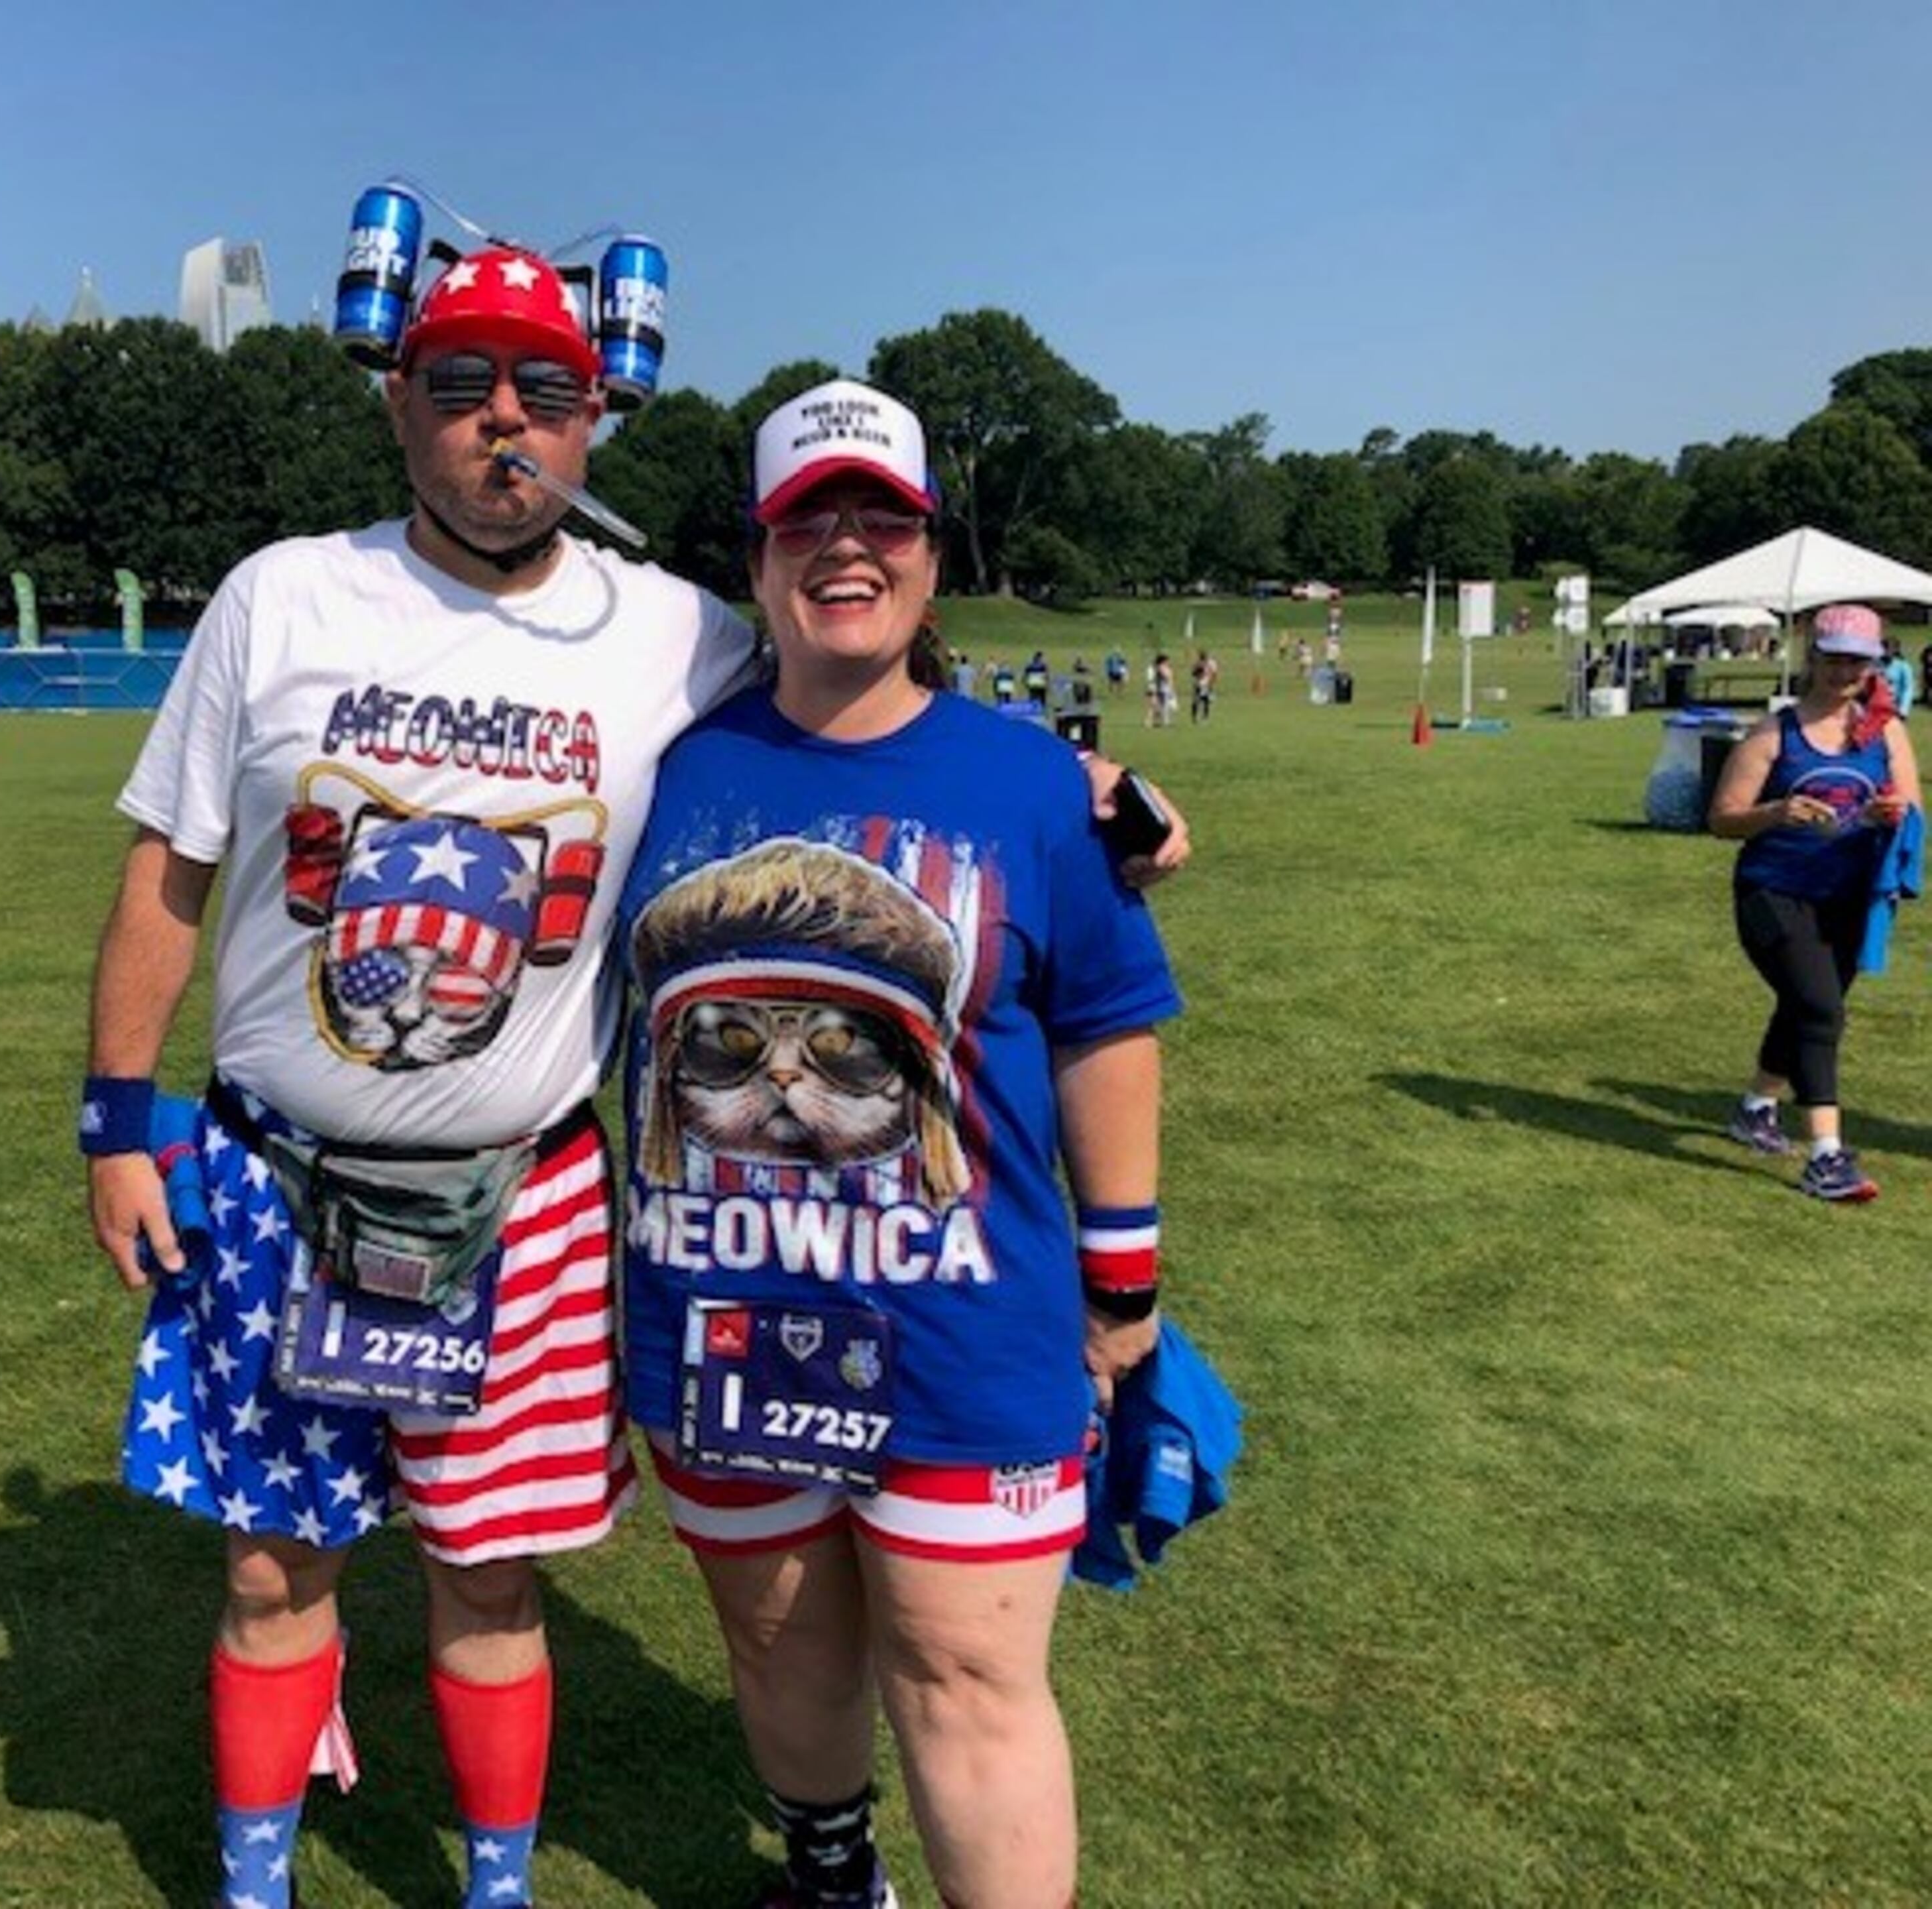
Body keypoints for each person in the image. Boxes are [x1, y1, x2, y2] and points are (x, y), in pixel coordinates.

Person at [85, 254, 1193, 1908]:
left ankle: (499, 1887)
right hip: (291, 1172)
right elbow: (169, 862)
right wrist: (117, 1118)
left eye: (540, 390)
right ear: (398, 400)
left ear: (597, 415)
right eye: (460, 386)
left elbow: (892, 719)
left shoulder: (674, 636)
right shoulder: (288, 594)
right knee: (274, 1569)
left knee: (494, 1573)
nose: (502, 425)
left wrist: (1081, 783)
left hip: (532, 1192)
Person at [616, 379, 1182, 1906]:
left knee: (963, 1674)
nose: (846, 546)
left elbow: (1105, 1026)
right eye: (811, 518)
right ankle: (828, 1865)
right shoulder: (665, 765)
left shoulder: (1026, 781)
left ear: (927, 556)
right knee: (781, 1633)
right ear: (759, 557)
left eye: (881, 516)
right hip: (720, 1305)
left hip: (959, 1319)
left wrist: (1121, 1283)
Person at [1707, 603, 1920, 1202]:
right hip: (1772, 892)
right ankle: (1827, 1158)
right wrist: (1776, 812)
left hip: (1851, 900)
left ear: (1874, 665)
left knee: (1805, 1007)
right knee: (1821, 1008)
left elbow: (1912, 812)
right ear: (1813, 657)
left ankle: (1755, 1109)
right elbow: (1722, 820)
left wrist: (1889, 813)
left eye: (1858, 660)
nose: (1844, 670)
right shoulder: (1776, 733)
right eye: (1833, 657)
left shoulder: (1887, 732)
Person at [1191, 647, 1220, 723]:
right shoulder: (1198, 663)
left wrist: (1211, 684)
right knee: (1197, 701)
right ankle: (1195, 717)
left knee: (1205, 701)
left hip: (1206, 684)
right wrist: (1198, 673)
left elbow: (1214, 674)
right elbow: (1193, 674)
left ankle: (1204, 717)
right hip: (1199, 684)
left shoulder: (1210, 663)